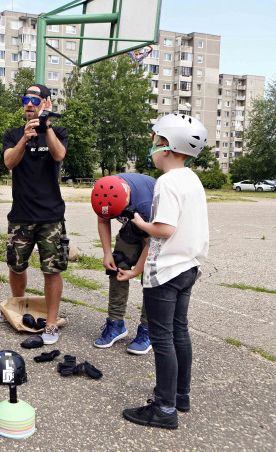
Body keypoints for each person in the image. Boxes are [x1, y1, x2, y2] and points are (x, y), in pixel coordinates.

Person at [118, 114, 209, 429]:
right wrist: (135, 271)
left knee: (162, 338)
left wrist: (138, 222)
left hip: (167, 274)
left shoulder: (168, 182)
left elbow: (163, 230)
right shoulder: (191, 179)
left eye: (155, 139)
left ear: (167, 146)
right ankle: (180, 395)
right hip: (187, 268)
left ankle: (164, 409)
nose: (152, 146)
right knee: (179, 331)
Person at [0, 84, 68, 345]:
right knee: (16, 266)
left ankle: (51, 323)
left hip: (51, 216)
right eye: (25, 99)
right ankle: (17, 309)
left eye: (34, 99)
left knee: (52, 270)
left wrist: (45, 127)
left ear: (45, 102)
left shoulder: (57, 131)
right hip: (21, 215)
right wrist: (24, 139)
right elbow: (9, 162)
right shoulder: (13, 134)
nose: (29, 103)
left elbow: (59, 154)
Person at [91, 173, 156, 355]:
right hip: (132, 226)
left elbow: (151, 243)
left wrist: (136, 271)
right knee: (117, 264)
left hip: (156, 231)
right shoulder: (102, 191)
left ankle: (148, 329)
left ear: (126, 200)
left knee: (151, 274)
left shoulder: (146, 204)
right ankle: (116, 323)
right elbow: (103, 220)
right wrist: (106, 253)